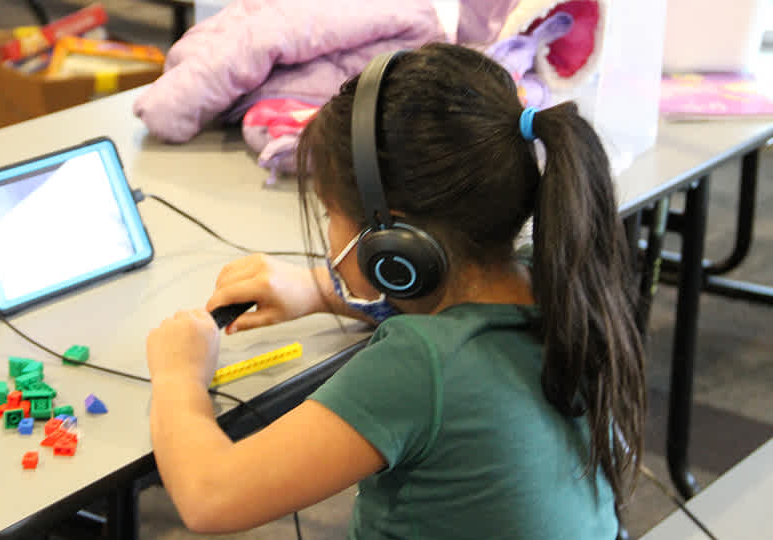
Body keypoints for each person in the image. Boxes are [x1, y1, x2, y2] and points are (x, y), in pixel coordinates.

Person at [146, 42, 646, 539]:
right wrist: (321, 291)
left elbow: (210, 497)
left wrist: (179, 377)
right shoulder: (558, 278)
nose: (328, 229)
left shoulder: (417, 365)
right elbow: (460, 316)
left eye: (329, 213)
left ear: (394, 246)